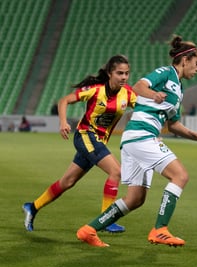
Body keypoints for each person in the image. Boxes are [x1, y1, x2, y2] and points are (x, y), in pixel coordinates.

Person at [76, 35, 197, 247]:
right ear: (185, 60)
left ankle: (89, 230)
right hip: (142, 136)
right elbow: (138, 86)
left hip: (135, 140)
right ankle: (160, 230)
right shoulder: (165, 72)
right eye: (196, 63)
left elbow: (173, 124)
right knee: (180, 175)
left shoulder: (179, 89)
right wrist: (153, 95)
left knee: (135, 199)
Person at [22, 55, 145, 233]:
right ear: (110, 73)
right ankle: (107, 219)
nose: (124, 77)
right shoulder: (95, 90)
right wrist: (63, 122)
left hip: (98, 142)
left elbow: (143, 109)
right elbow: (64, 100)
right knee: (116, 171)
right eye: (120, 73)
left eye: (126, 73)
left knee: (67, 181)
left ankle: (32, 207)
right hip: (85, 136)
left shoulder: (127, 93)